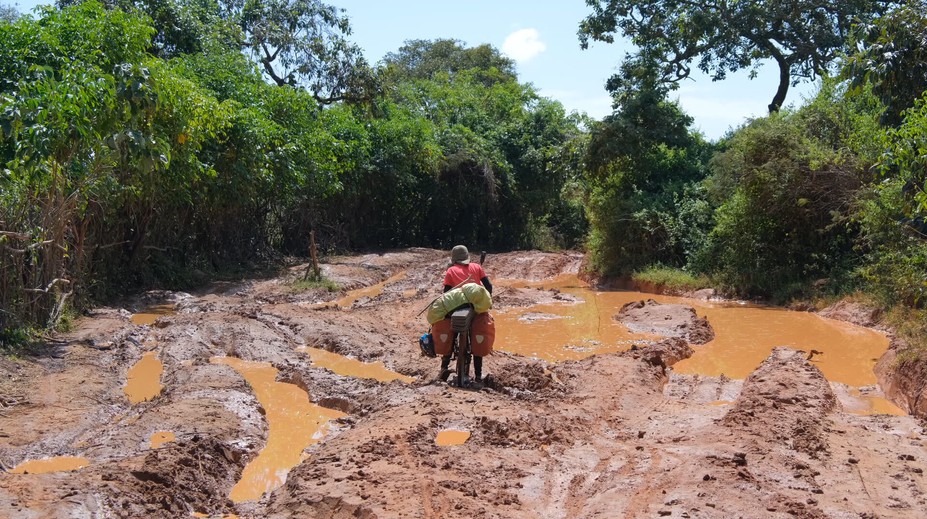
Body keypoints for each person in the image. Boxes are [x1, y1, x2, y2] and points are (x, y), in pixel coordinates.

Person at [439, 245, 492, 383]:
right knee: (476, 334)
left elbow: (446, 293)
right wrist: (487, 300)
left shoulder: (451, 271)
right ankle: (479, 375)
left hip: (456, 308)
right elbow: (489, 286)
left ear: (454, 259)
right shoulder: (477, 267)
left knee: (451, 331)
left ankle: (443, 367)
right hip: (474, 308)